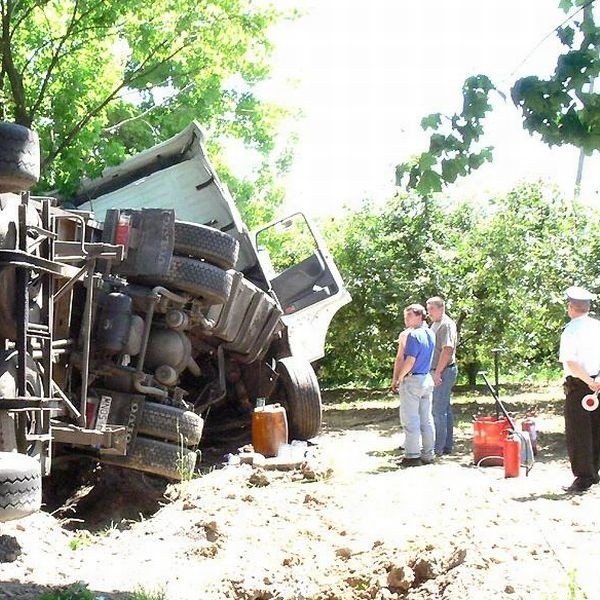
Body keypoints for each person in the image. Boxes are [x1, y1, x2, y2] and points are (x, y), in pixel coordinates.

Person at [559, 286, 600, 492]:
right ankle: (594, 471)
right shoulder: (597, 326)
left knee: (579, 431)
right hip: (598, 383)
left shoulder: (571, 330)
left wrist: (588, 381)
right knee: (596, 428)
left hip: (580, 386)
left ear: (571, 307)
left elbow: (571, 362)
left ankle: (584, 477)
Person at [391, 304, 435, 467]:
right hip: (426, 378)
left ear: (418, 316)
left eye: (409, 316)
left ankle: (412, 455)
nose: (406, 319)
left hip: (413, 380)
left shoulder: (413, 335)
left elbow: (409, 360)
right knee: (426, 419)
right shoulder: (430, 333)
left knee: (410, 419)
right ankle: (428, 454)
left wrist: (399, 378)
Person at [426, 296, 458, 456]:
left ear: (440, 308)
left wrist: (437, 372)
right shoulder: (435, 323)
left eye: (431, 309)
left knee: (437, 410)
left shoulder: (446, 324)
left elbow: (447, 349)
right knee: (445, 408)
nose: (428, 312)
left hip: (443, 371)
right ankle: (446, 445)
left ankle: (437, 448)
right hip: (437, 370)